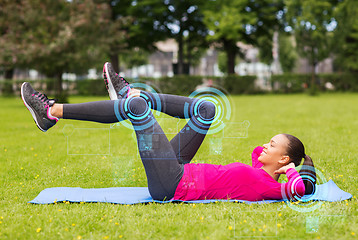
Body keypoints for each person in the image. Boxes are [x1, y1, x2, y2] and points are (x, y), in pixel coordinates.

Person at [21, 62, 316, 202]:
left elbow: (302, 189)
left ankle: (51, 112)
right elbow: (257, 157)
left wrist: (296, 170)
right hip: (178, 169)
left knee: (135, 109)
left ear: (284, 159)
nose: (265, 145)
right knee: (207, 111)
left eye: (273, 144)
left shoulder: (272, 187)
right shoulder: (261, 172)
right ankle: (133, 94)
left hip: (173, 184)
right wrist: (282, 163)